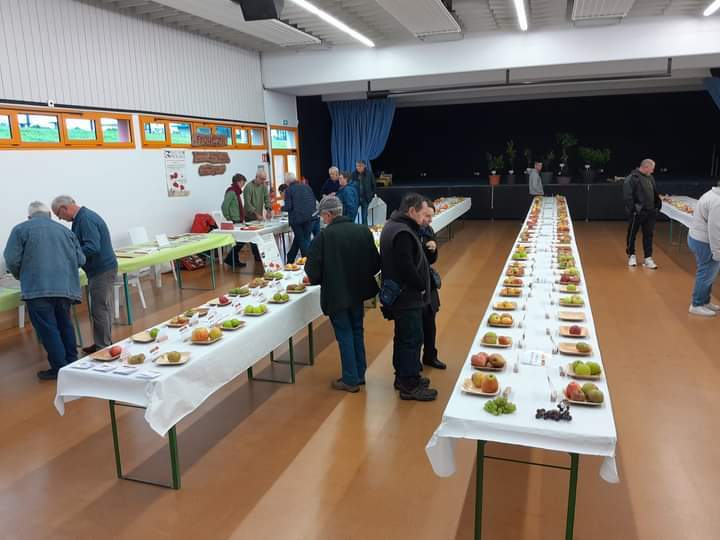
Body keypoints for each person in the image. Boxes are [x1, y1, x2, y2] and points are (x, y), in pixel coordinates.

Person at [305, 196, 380, 392]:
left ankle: (350, 379)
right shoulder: (363, 230)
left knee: (344, 333)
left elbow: (312, 271)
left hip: (337, 294)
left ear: (328, 215)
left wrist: (318, 278)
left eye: (322, 215)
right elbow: (375, 264)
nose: (322, 219)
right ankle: (359, 373)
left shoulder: (323, 237)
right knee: (357, 330)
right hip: (359, 292)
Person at [3, 202, 86, 380]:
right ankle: (72, 362)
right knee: (65, 324)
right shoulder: (66, 231)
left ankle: (59, 368)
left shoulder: (20, 230)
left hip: (36, 288)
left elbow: (11, 259)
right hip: (64, 288)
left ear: (29, 217)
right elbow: (80, 259)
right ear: (49, 214)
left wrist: (21, 275)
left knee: (49, 329)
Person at [379, 192, 438, 401]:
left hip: (402, 296)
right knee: (411, 339)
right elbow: (406, 267)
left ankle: (404, 377)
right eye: (424, 215)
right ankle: (409, 385)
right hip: (407, 297)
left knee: (404, 338)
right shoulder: (403, 232)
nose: (427, 220)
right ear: (411, 211)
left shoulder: (394, 226)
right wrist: (422, 285)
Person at [52, 195, 117, 355]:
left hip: (101, 270)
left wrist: (70, 257)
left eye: (59, 215)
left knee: (100, 309)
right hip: (100, 269)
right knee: (100, 309)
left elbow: (92, 247)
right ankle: (102, 342)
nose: (61, 219)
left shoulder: (85, 219)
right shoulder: (83, 218)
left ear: (64, 208)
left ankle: (103, 347)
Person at [419, 203, 446, 370]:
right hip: (416, 284)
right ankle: (414, 362)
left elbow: (432, 259)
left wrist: (433, 249)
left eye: (431, 217)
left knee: (430, 321)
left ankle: (430, 355)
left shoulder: (428, 231)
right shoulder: (410, 231)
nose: (429, 220)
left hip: (428, 282)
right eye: (426, 216)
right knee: (416, 326)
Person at [687, 184, 720, 316]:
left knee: (708, 274)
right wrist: (718, 252)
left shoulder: (711, 194)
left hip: (697, 238)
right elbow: (715, 230)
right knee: (706, 274)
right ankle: (697, 304)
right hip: (705, 242)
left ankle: (705, 301)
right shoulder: (718, 202)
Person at [623, 159, 661, 269]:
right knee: (632, 234)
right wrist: (634, 210)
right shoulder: (632, 178)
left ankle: (648, 258)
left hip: (650, 212)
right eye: (652, 169)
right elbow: (627, 196)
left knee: (648, 235)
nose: (652, 171)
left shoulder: (650, 177)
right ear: (646, 167)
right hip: (637, 212)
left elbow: (653, 192)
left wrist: (656, 206)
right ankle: (631, 255)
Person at [283, 172, 317, 263]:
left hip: (297, 219)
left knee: (302, 240)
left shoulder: (289, 190)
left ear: (287, 182)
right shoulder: (306, 186)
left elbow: (288, 207)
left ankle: (307, 262)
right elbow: (314, 201)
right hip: (311, 217)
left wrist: (281, 208)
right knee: (302, 238)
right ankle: (290, 258)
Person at [243, 170, 272, 262]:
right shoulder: (248, 187)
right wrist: (256, 214)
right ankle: (257, 256)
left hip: (258, 214)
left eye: (264, 179)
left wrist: (268, 210)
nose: (263, 181)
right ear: (256, 177)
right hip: (249, 215)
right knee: (254, 236)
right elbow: (248, 204)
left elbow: (267, 198)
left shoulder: (263, 186)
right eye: (262, 179)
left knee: (260, 234)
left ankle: (261, 253)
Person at [221, 173, 248, 268]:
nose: (243, 185)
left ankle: (233, 260)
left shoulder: (236, 192)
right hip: (234, 220)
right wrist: (229, 218)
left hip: (238, 220)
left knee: (240, 241)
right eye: (242, 183)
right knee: (241, 240)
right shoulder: (231, 192)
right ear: (238, 182)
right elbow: (224, 206)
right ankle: (231, 259)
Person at [351, 160, 375, 225]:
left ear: (364, 166)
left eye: (360, 166)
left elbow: (373, 186)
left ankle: (364, 231)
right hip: (356, 199)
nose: (358, 167)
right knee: (353, 215)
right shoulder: (353, 174)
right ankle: (350, 228)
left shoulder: (369, 174)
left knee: (364, 217)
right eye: (357, 166)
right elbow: (351, 186)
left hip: (365, 199)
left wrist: (371, 196)